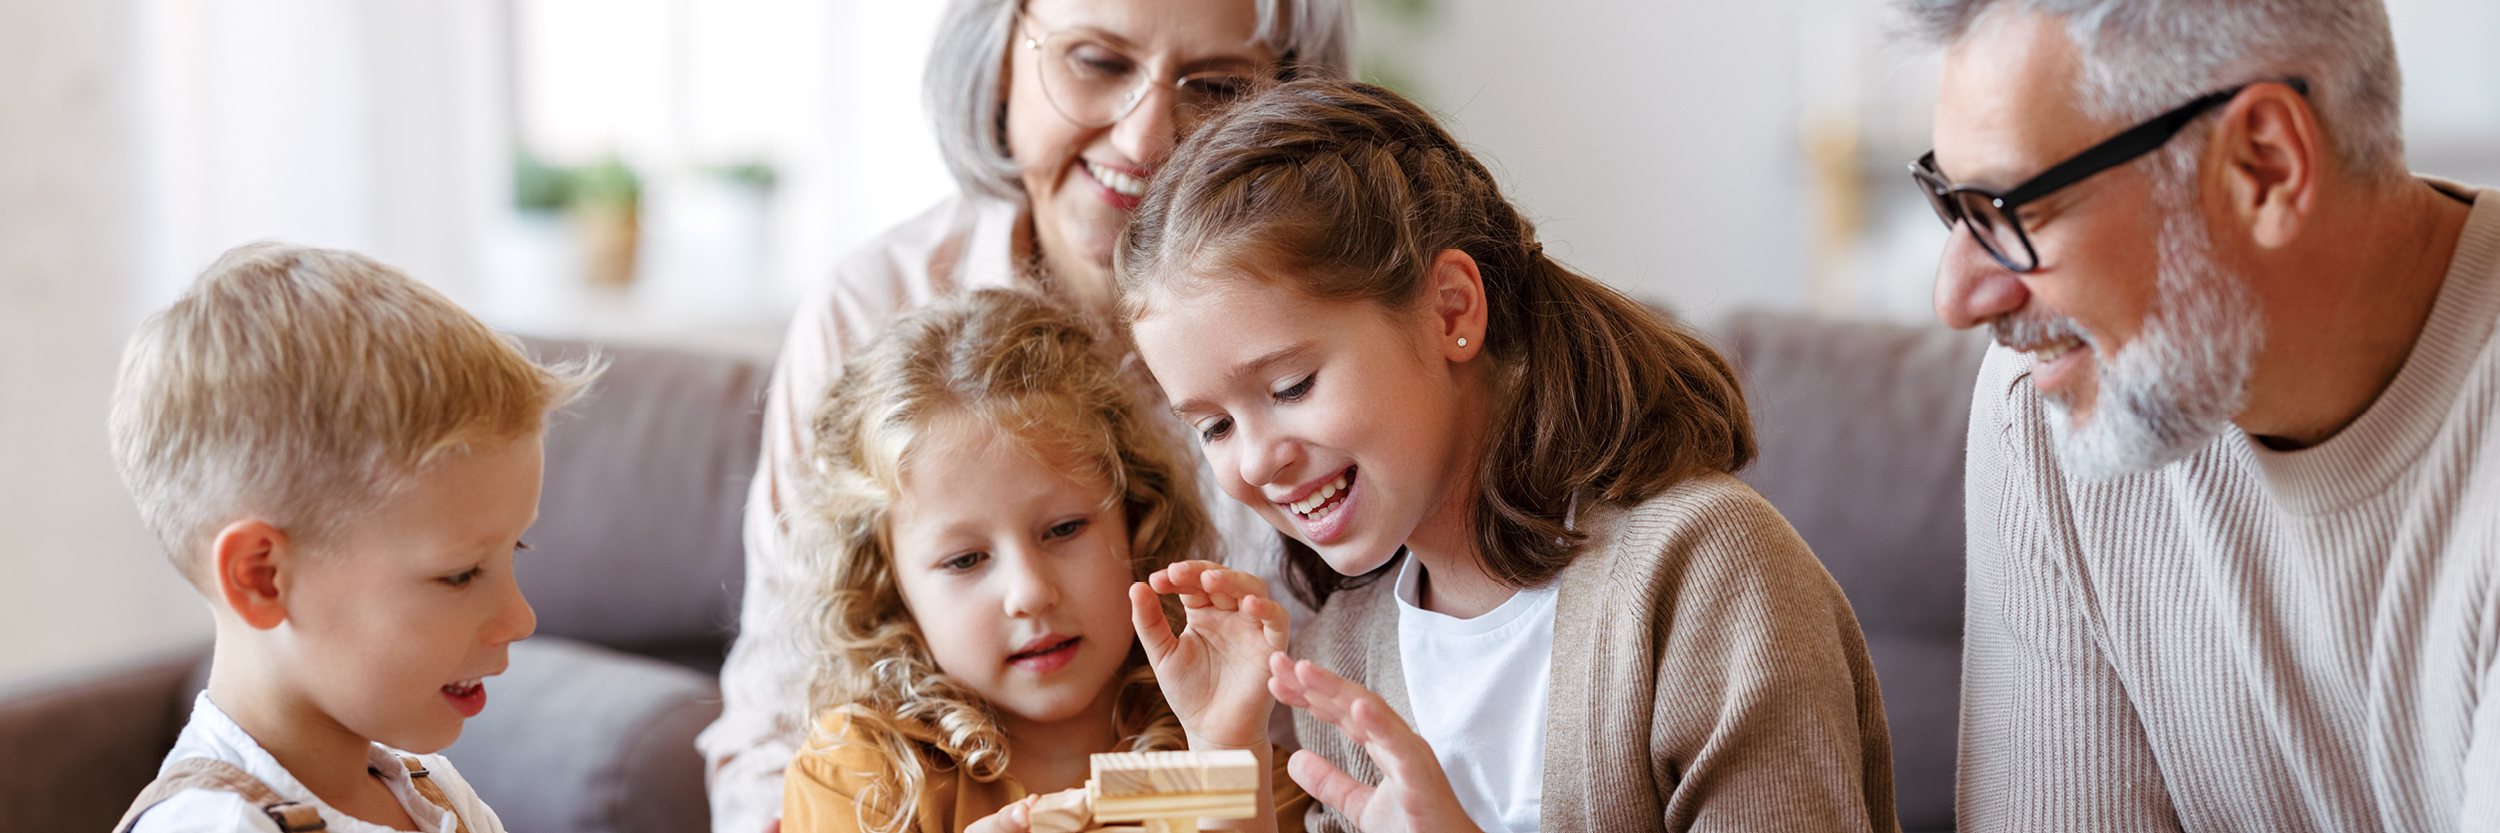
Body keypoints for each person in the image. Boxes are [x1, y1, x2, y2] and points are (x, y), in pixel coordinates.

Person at [1117, 78, 1902, 833]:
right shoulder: (1341, 648)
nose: (1255, 461)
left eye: (1291, 385)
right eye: (1213, 426)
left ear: (1451, 309)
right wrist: (1223, 750)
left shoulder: (1704, 572)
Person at [702, 2, 1351, 828]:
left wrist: (1223, 752)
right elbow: (773, 722)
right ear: (1002, 62)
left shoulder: (1187, 745)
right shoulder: (866, 775)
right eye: (1097, 62)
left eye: (1217, 84)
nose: (1145, 140)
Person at [1900, 0, 2500, 829]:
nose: (1958, 297)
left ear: (2265, 165)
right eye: (1954, 203)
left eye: (2011, 210)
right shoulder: (2048, 410)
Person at [104, 242, 600, 833]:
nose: (520, 619)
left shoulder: (434, 793)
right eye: (461, 574)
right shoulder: (212, 825)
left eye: (514, 550)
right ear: (263, 577)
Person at [777, 289, 1306, 833]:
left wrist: (1221, 756)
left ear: (1137, 517)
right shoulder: (862, 776)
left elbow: (1230, 789)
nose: (1029, 591)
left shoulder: (1226, 757)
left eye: (1064, 529)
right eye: (964, 560)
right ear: (889, 587)